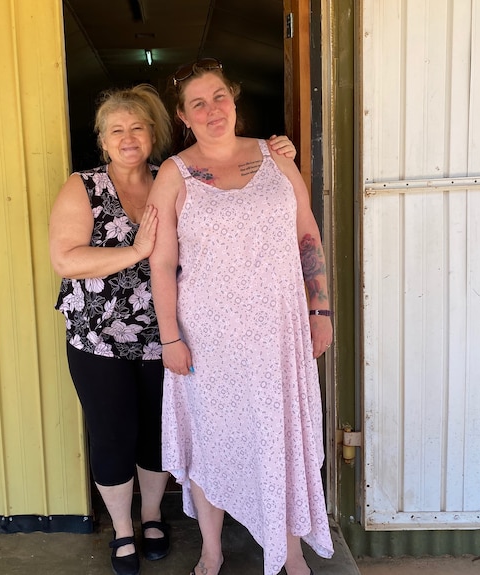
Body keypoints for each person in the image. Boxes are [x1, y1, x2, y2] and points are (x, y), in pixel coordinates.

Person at [49, 83, 296, 575]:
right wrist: (136, 253)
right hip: (102, 339)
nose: (127, 137)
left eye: (137, 127)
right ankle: (123, 530)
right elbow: (66, 259)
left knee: (159, 438)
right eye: (115, 130)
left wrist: (275, 151)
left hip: (173, 335)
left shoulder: (176, 174)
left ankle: (151, 516)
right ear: (102, 139)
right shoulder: (85, 186)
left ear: (155, 132)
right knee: (114, 434)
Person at [147, 58, 334, 575]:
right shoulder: (174, 172)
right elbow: (161, 262)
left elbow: (307, 237)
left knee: (281, 437)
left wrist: (319, 308)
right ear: (184, 117)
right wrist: (170, 339)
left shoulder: (275, 157)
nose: (213, 111)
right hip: (208, 338)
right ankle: (212, 549)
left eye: (219, 97)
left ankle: (290, 550)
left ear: (234, 100)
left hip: (279, 331)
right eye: (198, 104)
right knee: (211, 441)